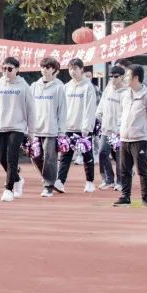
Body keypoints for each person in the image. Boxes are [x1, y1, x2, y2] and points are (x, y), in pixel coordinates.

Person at [0, 55, 34, 202]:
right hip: (1, 127)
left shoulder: (24, 86)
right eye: (4, 69)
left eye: (10, 69)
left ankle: (8, 189)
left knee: (11, 158)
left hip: (18, 127)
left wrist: (31, 131)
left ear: (17, 70)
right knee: (1, 158)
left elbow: (30, 110)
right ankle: (17, 178)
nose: (6, 72)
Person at [114, 65, 147, 207]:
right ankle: (125, 196)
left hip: (140, 139)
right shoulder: (126, 95)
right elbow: (122, 114)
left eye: (128, 76)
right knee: (124, 170)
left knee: (141, 170)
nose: (125, 78)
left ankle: (145, 198)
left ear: (136, 78)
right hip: (125, 138)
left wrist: (145, 132)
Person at [56, 58, 98, 194]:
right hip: (68, 128)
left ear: (81, 69)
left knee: (87, 156)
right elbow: (61, 108)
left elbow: (90, 108)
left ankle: (90, 182)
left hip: (83, 129)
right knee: (65, 156)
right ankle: (60, 182)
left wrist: (87, 128)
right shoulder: (66, 87)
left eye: (75, 68)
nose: (72, 72)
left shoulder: (88, 87)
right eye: (70, 69)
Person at [31, 58, 67, 198]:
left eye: (47, 67)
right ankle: (50, 178)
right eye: (42, 67)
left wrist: (61, 131)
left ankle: (48, 186)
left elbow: (62, 111)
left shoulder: (59, 87)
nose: (44, 69)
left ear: (54, 70)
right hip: (35, 128)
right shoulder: (34, 86)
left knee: (49, 158)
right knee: (36, 156)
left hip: (51, 129)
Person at [95, 66, 126, 190]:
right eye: (111, 76)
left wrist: (119, 128)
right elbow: (102, 105)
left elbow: (125, 112)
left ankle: (120, 181)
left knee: (119, 157)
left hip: (118, 131)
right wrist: (98, 116)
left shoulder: (125, 92)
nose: (113, 79)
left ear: (122, 77)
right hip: (106, 129)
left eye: (116, 76)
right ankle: (109, 180)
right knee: (102, 153)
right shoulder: (108, 89)